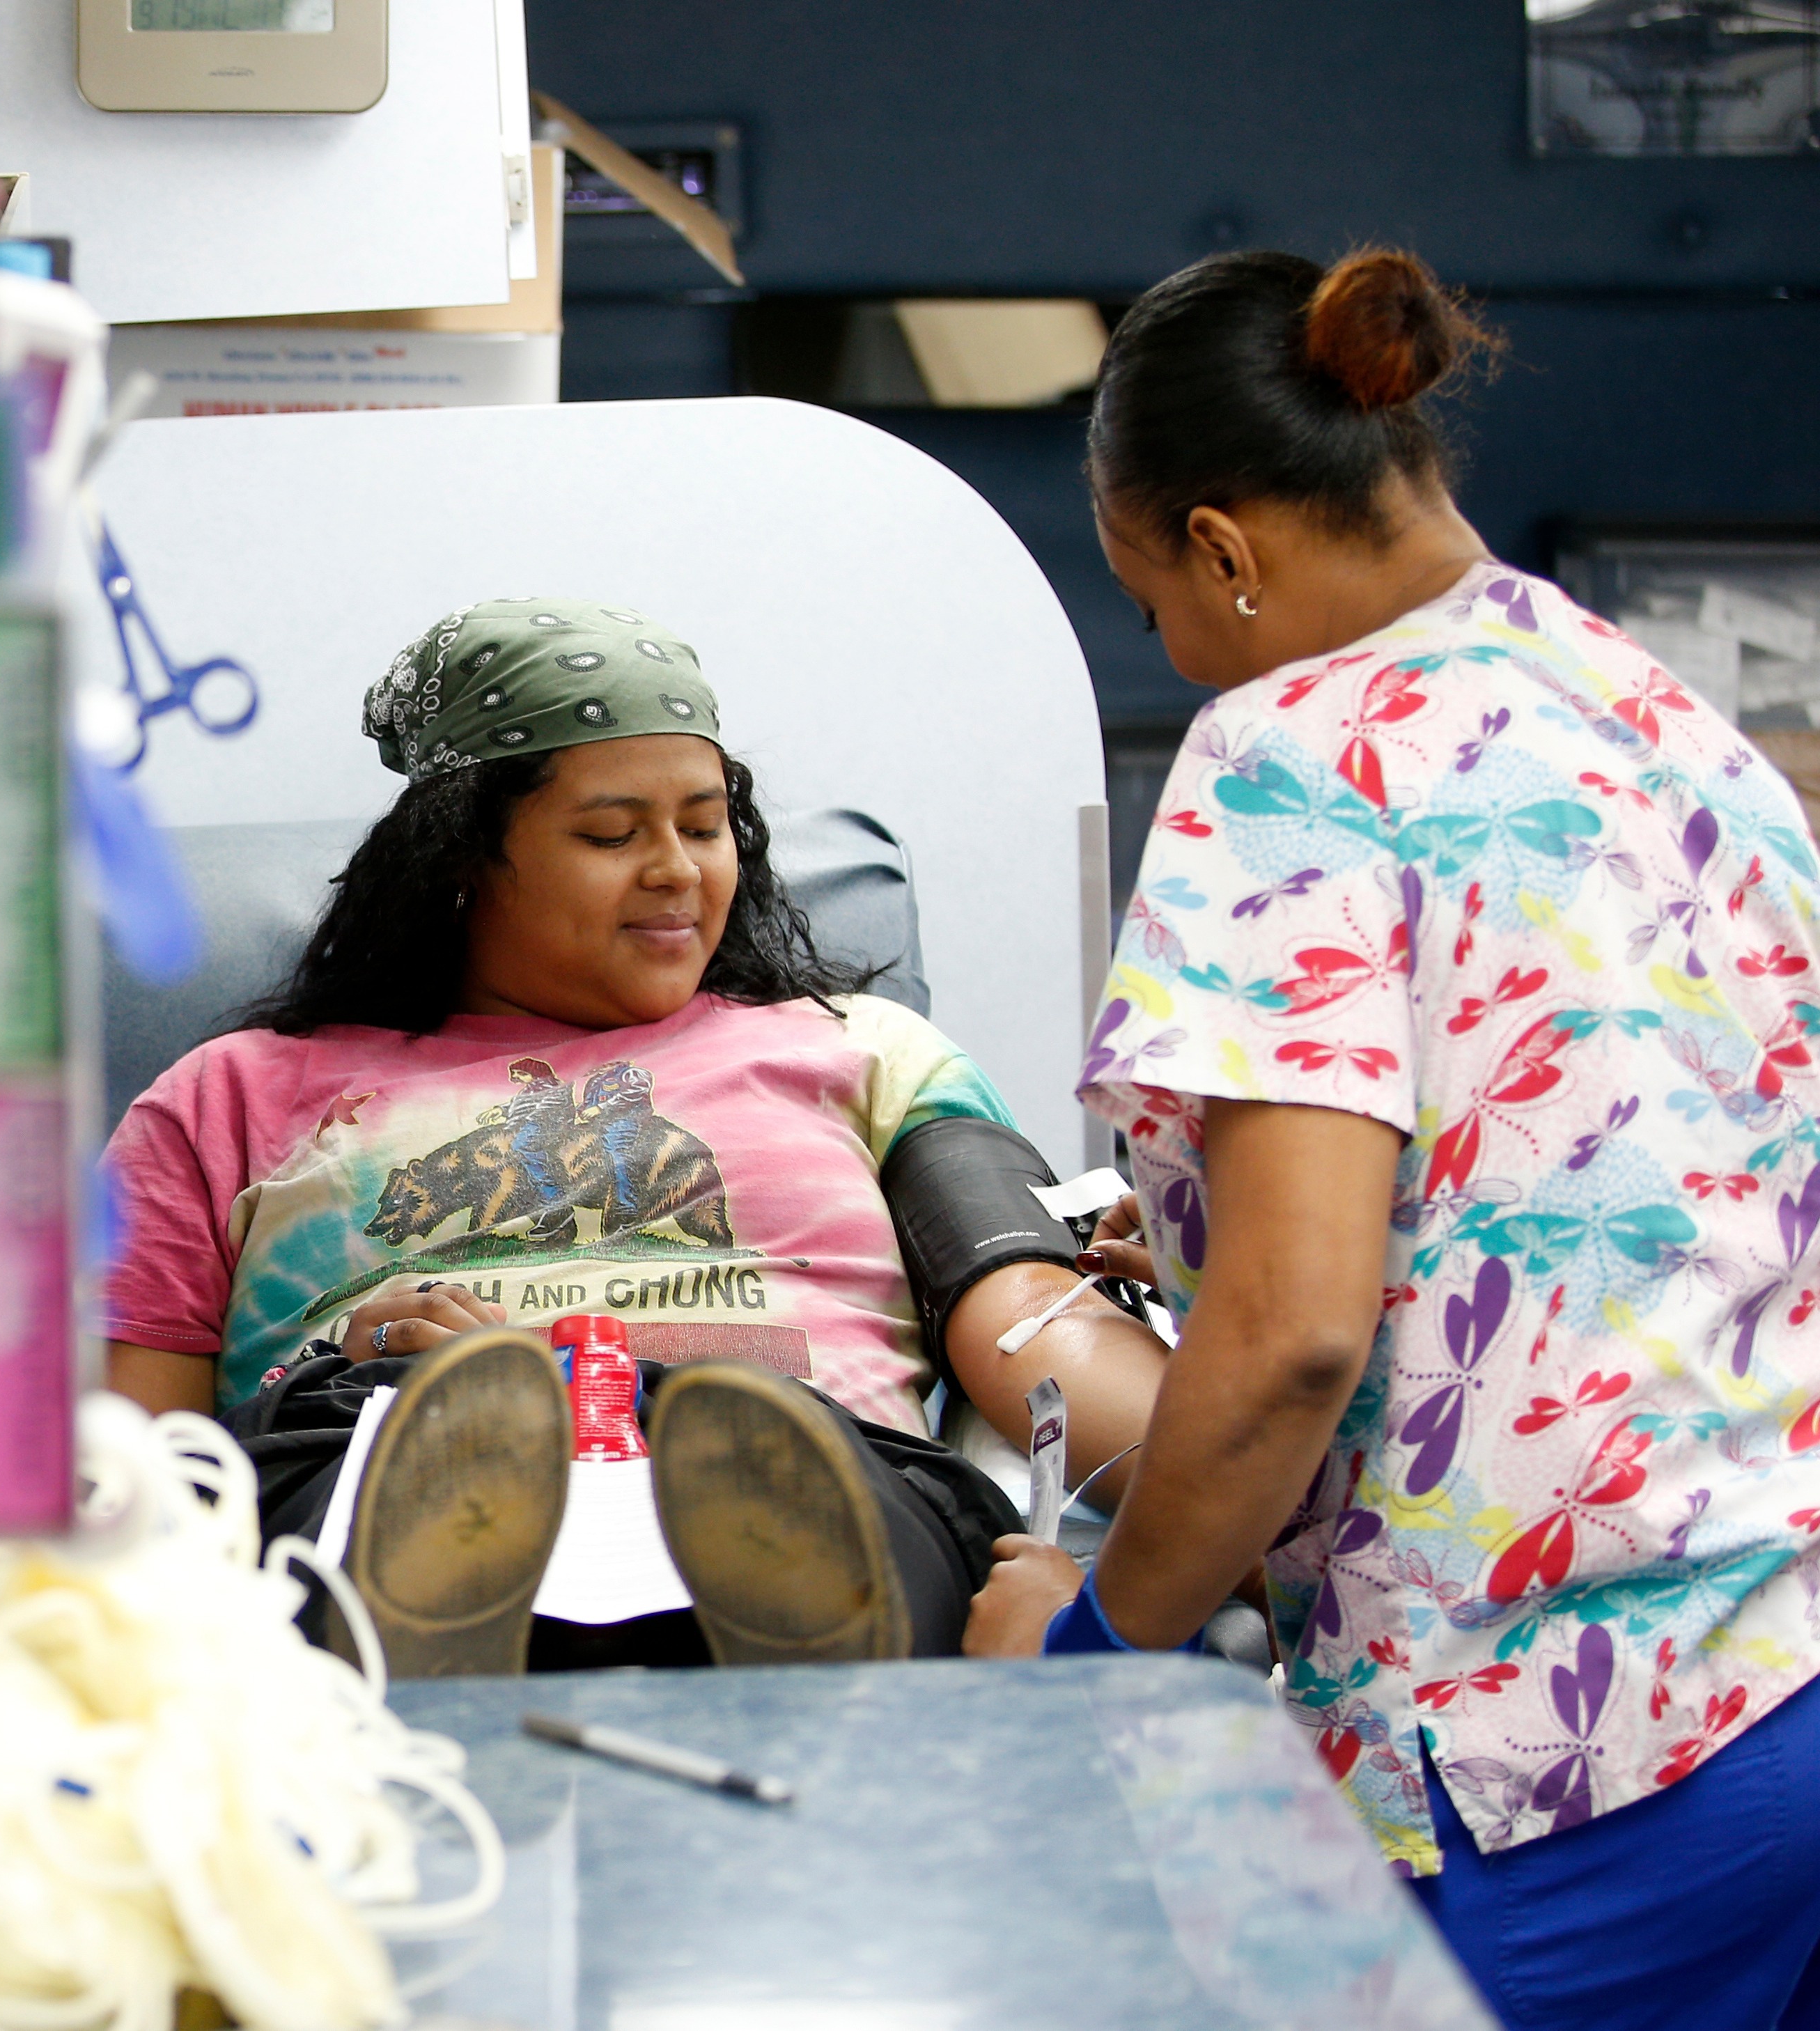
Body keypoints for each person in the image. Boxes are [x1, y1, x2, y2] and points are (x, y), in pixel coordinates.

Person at [1029, 245, 1820, 2029]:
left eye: (1153, 596)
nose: (1174, 641)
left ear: (1222, 551)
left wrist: (1091, 1659)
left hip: (1560, 1757)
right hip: (1792, 1677)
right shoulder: (1678, 728)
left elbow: (1296, 1334)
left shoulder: (1285, 755)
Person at [100, 597, 1149, 1672]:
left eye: (704, 828)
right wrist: (349, 1361)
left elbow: (1035, 1326)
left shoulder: (871, 1054)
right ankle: (467, 1546)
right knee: (407, 1459)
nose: (679, 873)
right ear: (459, 858)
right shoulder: (227, 1099)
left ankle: (704, 1571)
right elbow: (140, 1473)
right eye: (612, 835)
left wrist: (1210, 1550)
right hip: (380, 1436)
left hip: (807, 1452)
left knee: (805, 1477)